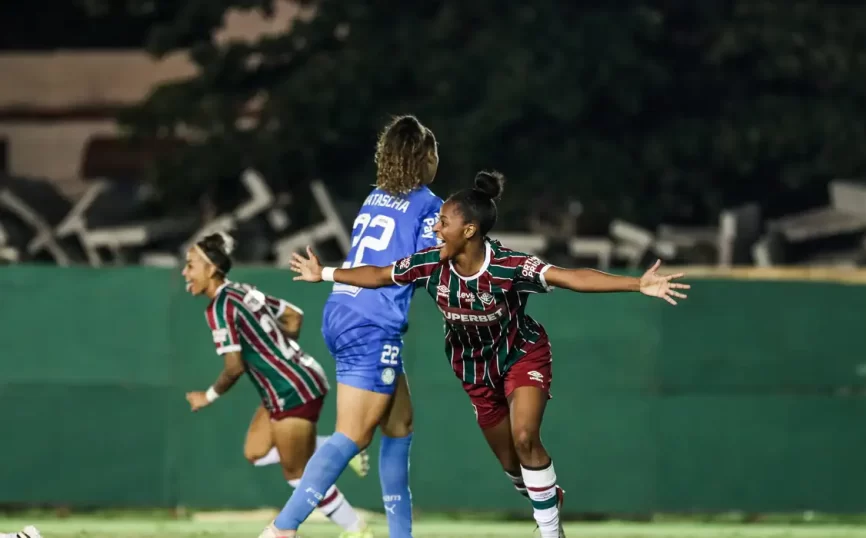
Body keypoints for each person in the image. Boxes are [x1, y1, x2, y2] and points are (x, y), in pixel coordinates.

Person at [289, 171, 690, 538]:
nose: (435, 227)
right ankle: (547, 497)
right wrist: (323, 273)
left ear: (468, 230)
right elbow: (377, 275)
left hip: (522, 356)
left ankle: (551, 532)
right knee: (514, 468)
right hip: (475, 373)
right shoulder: (430, 264)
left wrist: (638, 284)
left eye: (442, 222)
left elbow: (570, 277)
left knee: (524, 437)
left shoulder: (509, 266)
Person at [260, 115, 443, 538]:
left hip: (343, 309)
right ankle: (282, 529)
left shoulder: (375, 197)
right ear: (425, 158)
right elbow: (422, 267)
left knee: (399, 428)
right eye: (434, 155)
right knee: (354, 435)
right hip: (373, 322)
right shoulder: (429, 206)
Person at [182, 232, 372, 538]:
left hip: (292, 390)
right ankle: (331, 447)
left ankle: (357, 530)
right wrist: (278, 353)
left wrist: (207, 396)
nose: (184, 272)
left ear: (211, 268)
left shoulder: (219, 308)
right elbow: (294, 316)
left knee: (297, 473)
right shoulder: (243, 292)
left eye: (190, 265)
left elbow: (234, 366)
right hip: (292, 382)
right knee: (255, 452)